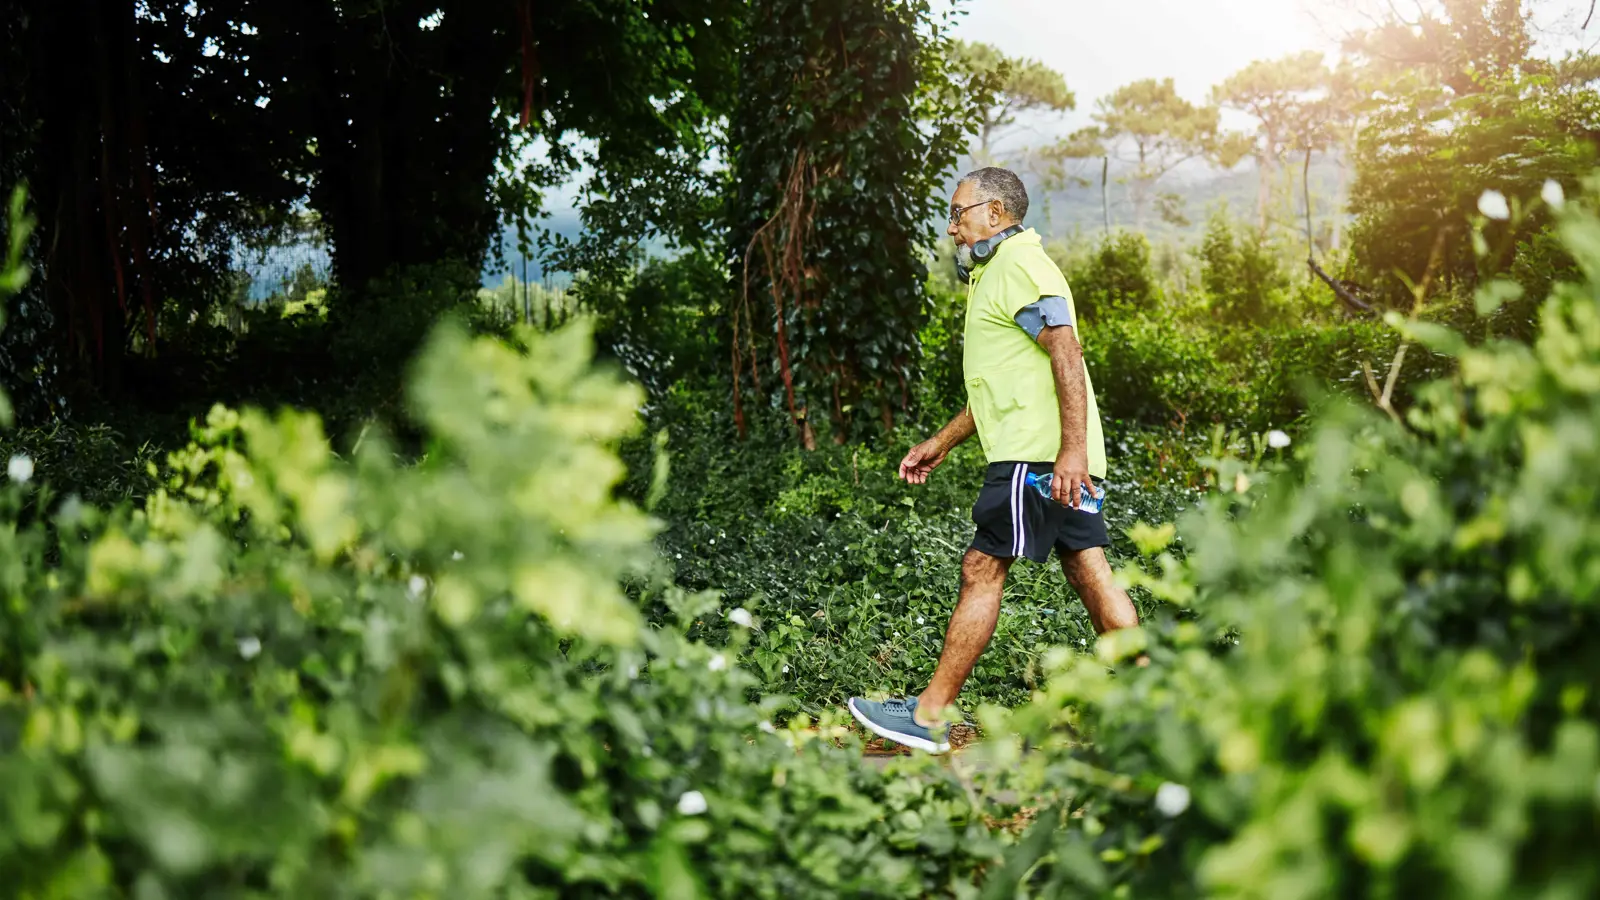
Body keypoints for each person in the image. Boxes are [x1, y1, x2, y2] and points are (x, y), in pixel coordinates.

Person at [847, 167, 1142, 754]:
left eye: (958, 213)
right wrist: (942, 441)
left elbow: (1066, 351)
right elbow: (1001, 384)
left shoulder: (1019, 266)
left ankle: (929, 716)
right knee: (1090, 572)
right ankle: (1157, 706)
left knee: (981, 569)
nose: (951, 227)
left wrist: (1071, 451)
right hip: (1054, 455)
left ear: (996, 212)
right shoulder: (999, 271)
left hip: (1036, 456)